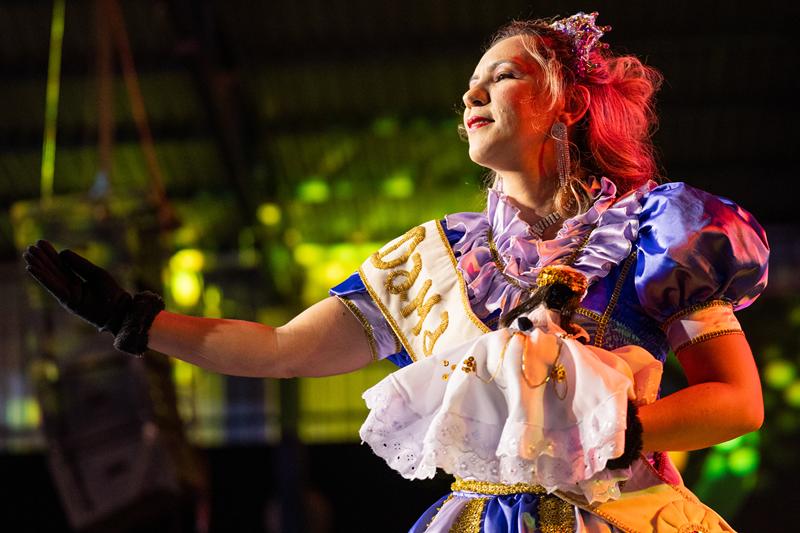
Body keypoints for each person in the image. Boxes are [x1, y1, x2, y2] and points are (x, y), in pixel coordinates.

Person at [23, 11, 768, 533]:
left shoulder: (653, 233)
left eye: (502, 76)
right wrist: (138, 320)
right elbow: (280, 350)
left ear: (568, 104)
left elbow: (738, 402)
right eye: (469, 86)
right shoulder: (434, 259)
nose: (471, 95)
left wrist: (621, 434)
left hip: (622, 512)